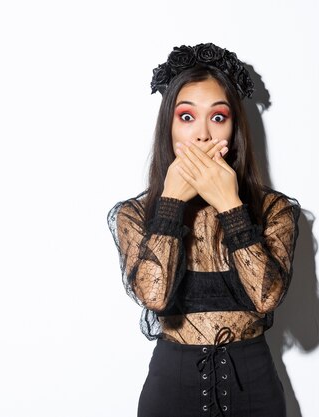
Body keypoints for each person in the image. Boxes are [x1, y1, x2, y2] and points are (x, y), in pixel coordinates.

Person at [108, 43, 300, 417]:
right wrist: (170, 204)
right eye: (186, 116)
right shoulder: (134, 215)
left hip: (255, 390)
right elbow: (153, 295)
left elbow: (266, 299)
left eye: (217, 117)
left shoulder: (275, 210)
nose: (202, 135)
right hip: (171, 390)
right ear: (169, 126)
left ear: (234, 126)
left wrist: (231, 206)